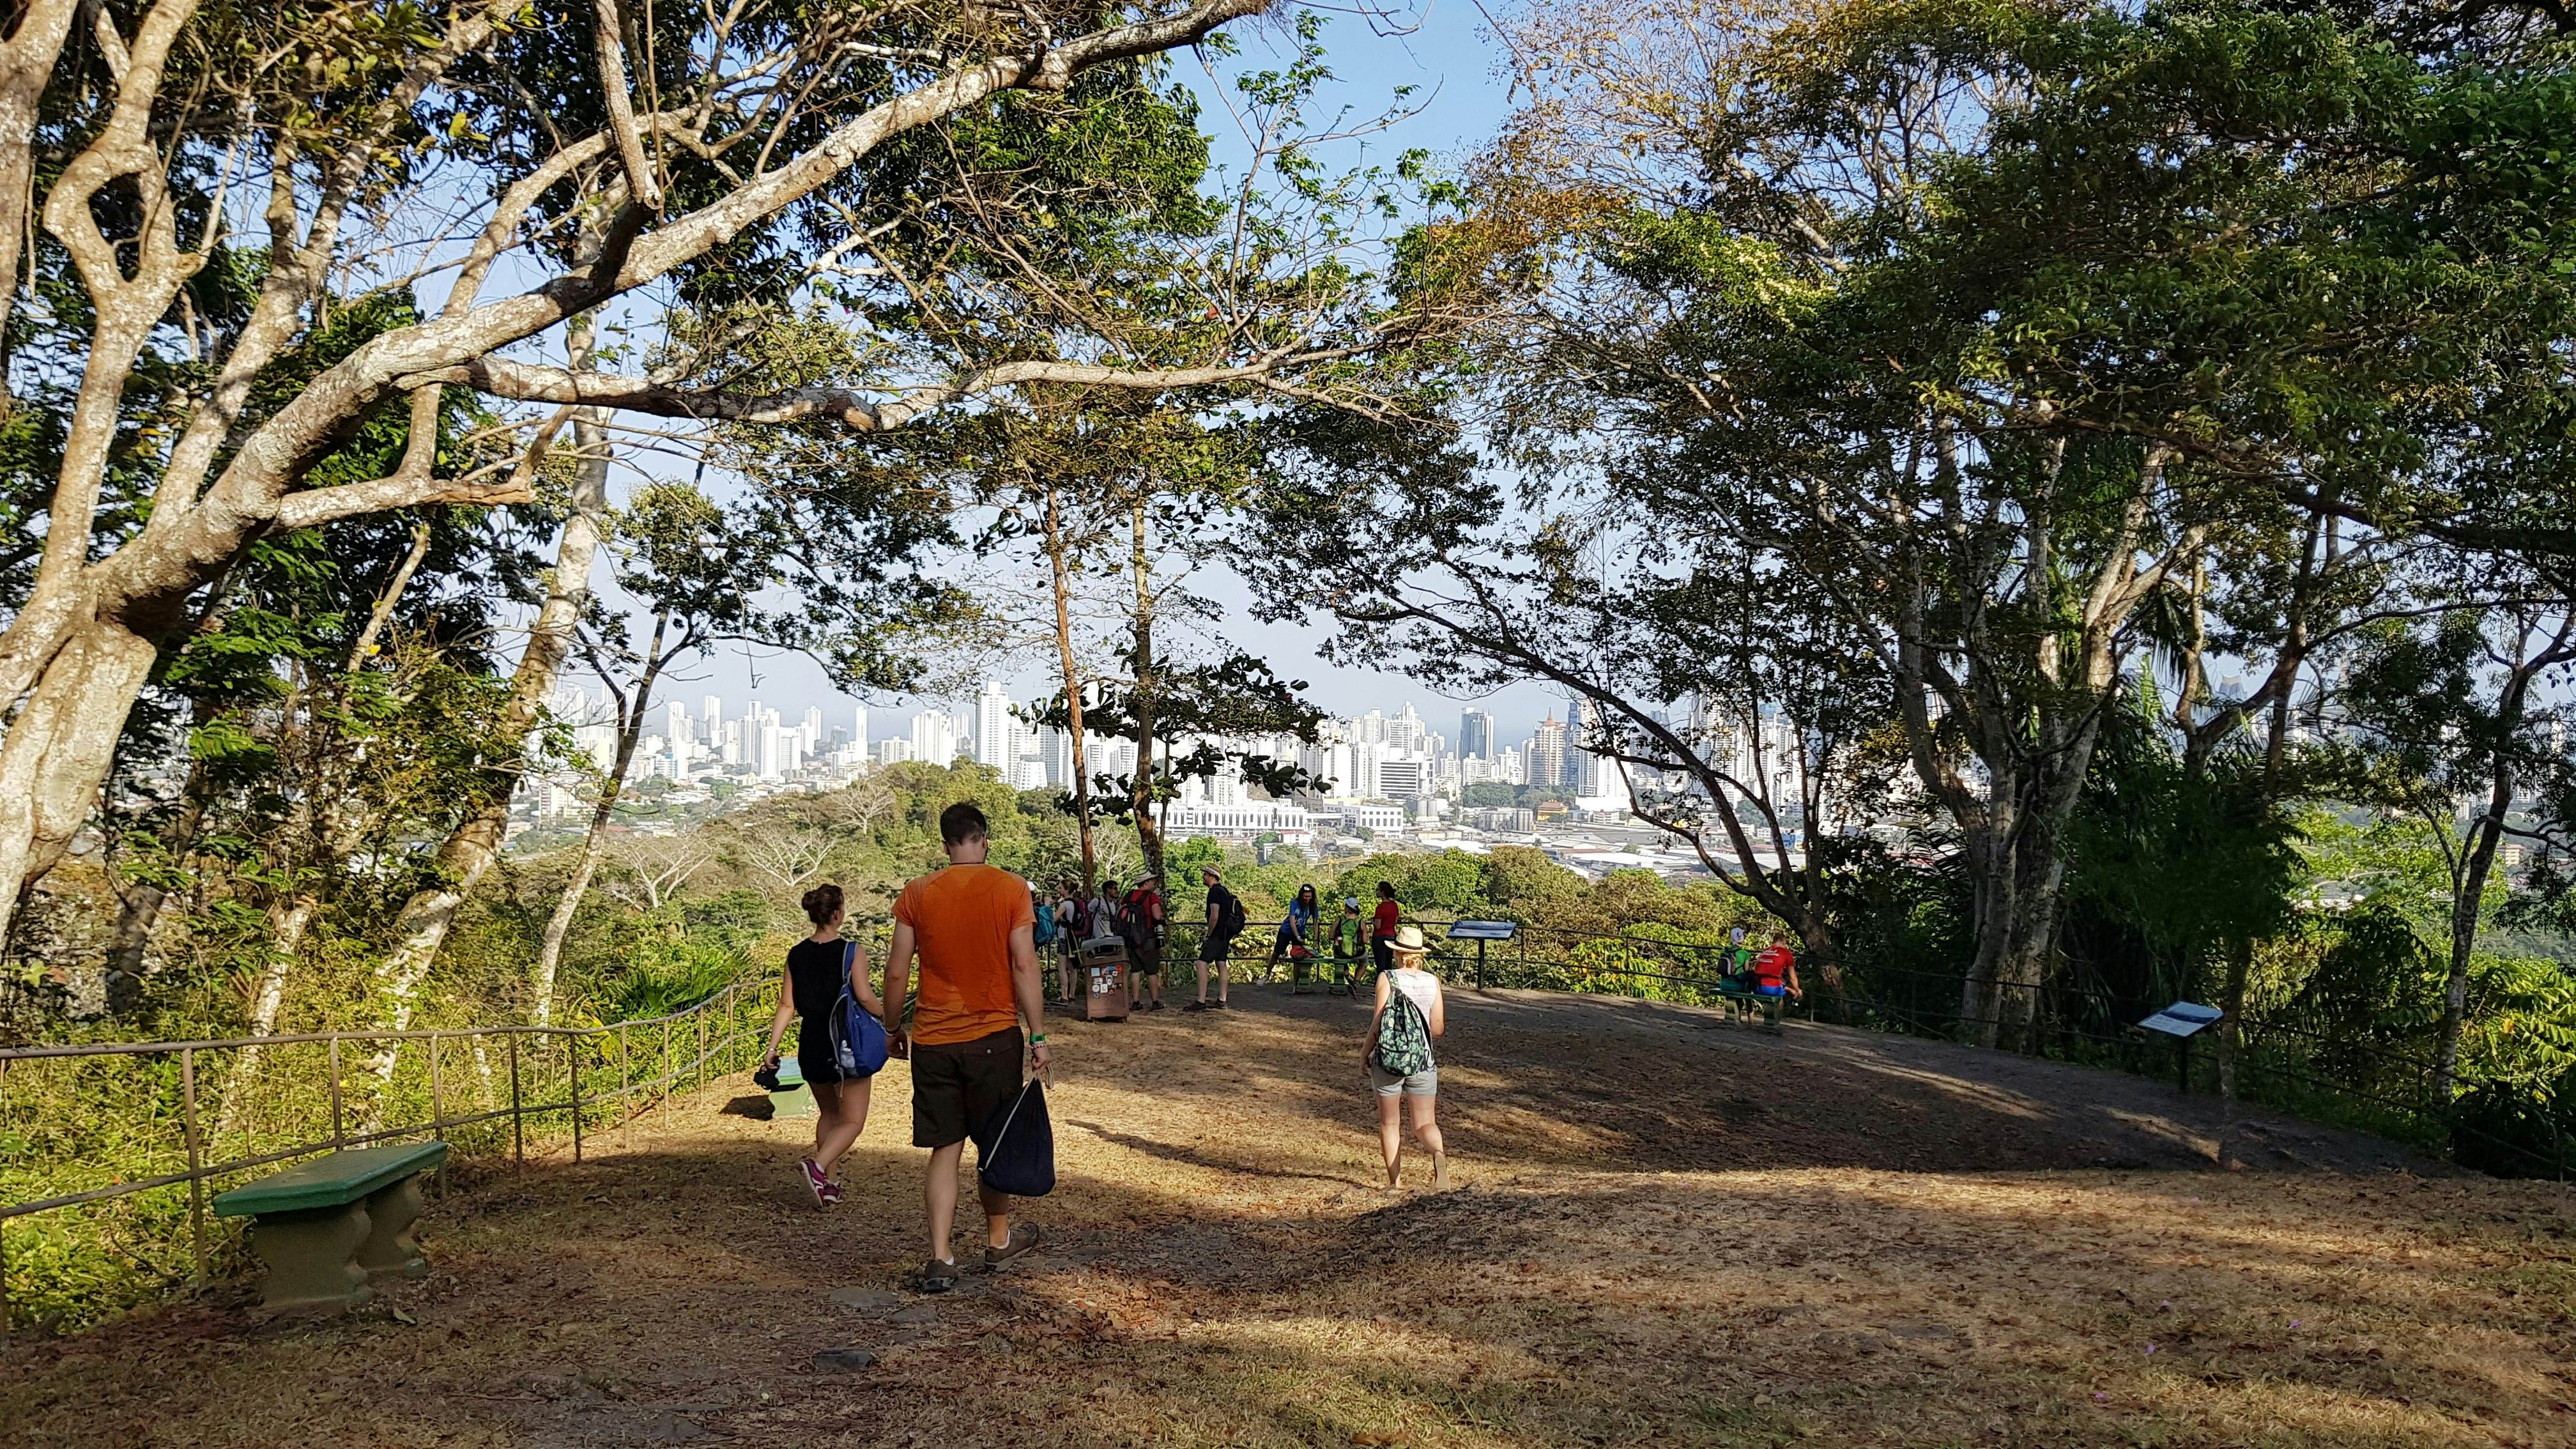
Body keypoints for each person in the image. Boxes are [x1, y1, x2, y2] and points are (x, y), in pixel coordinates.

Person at [882, 802, 1052, 1292]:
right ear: (985, 839)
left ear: (945, 844)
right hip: (994, 1037)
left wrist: (894, 1026)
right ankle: (998, 1241)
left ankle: (941, 1257)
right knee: (992, 1141)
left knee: (944, 1149)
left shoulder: (918, 893)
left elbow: (897, 970)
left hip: (934, 1040)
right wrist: (1037, 1035)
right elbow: (1024, 965)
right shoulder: (1010, 889)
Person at [760, 883, 887, 1209]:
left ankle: (829, 1185)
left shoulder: (797, 954)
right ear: (837, 914)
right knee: (853, 1121)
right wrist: (892, 1016)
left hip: (812, 1043)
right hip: (846, 1044)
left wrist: (772, 1048)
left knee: (829, 1112)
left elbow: (787, 1005)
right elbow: (866, 998)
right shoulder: (851, 951)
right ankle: (817, 1167)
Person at [1364, 924, 1447, 1191]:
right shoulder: (1432, 982)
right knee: (1425, 1123)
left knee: (1390, 1123)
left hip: (1390, 1059)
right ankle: (1438, 1155)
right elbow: (1438, 1029)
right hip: (1423, 1059)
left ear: (1397, 953)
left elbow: (1378, 1024)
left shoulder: (1387, 978)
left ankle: (1395, 1182)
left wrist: (1364, 1053)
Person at [1190, 866, 1243, 1010]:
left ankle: (1201, 1000)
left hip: (1217, 934)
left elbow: (1214, 916)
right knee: (1221, 963)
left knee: (1201, 963)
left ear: (1212, 876)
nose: (1203, 877)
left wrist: (1209, 934)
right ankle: (1222, 1000)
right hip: (1226, 934)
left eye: (1205, 875)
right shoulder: (1224, 891)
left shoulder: (1214, 893)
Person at [1121, 874, 1165, 1011]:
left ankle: (1135, 1002)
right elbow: (1157, 915)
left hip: (1131, 939)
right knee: (1151, 971)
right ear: (1146, 883)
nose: (1153, 883)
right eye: (1151, 880)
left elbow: (1122, 914)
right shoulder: (1151, 897)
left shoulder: (1128, 896)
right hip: (1148, 937)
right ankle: (1155, 1001)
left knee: (1135, 970)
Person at [1749, 933, 1803, 1033]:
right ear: (1783, 942)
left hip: (1758, 987)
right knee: (1780, 1000)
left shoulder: (1765, 951)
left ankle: (1770, 1020)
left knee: (1779, 988)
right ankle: (1775, 1023)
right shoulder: (1786, 953)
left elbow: (1757, 968)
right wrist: (1797, 989)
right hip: (1771, 988)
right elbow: (1792, 977)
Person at [1268, 883, 1321, 976]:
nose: (1307, 899)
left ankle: (1296, 984)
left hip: (1301, 930)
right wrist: (1297, 936)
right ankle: (1267, 974)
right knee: (1277, 953)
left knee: (1299, 957)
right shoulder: (1295, 903)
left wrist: (1316, 940)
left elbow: (1315, 924)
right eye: (1305, 896)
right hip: (1286, 931)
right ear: (1301, 895)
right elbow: (1292, 922)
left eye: (1309, 896)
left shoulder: (1313, 906)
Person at [1052, 880, 1086, 1001]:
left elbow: (1053, 919)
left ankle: (1064, 995)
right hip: (1073, 937)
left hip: (1064, 936)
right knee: (1072, 967)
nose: (1058, 888)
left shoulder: (1065, 905)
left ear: (1066, 890)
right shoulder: (1075, 903)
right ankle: (1072, 993)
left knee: (1062, 967)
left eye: (1060, 887)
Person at [1331, 896, 1366, 994]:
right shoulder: (1360, 921)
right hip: (1357, 953)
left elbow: (1331, 936)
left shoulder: (1340, 919)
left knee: (1338, 957)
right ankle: (1356, 982)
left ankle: (1348, 976)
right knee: (1364, 961)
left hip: (1341, 952)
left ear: (1347, 908)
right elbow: (1365, 940)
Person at [1369, 880, 1402, 976]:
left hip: (1380, 937)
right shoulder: (1394, 906)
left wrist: (1373, 922)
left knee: (1380, 964)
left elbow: (1378, 926)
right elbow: (1395, 921)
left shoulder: (1380, 908)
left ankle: (1380, 984)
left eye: (1378, 890)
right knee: (1388, 963)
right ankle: (1389, 984)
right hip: (1391, 936)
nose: (1376, 892)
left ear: (1383, 892)